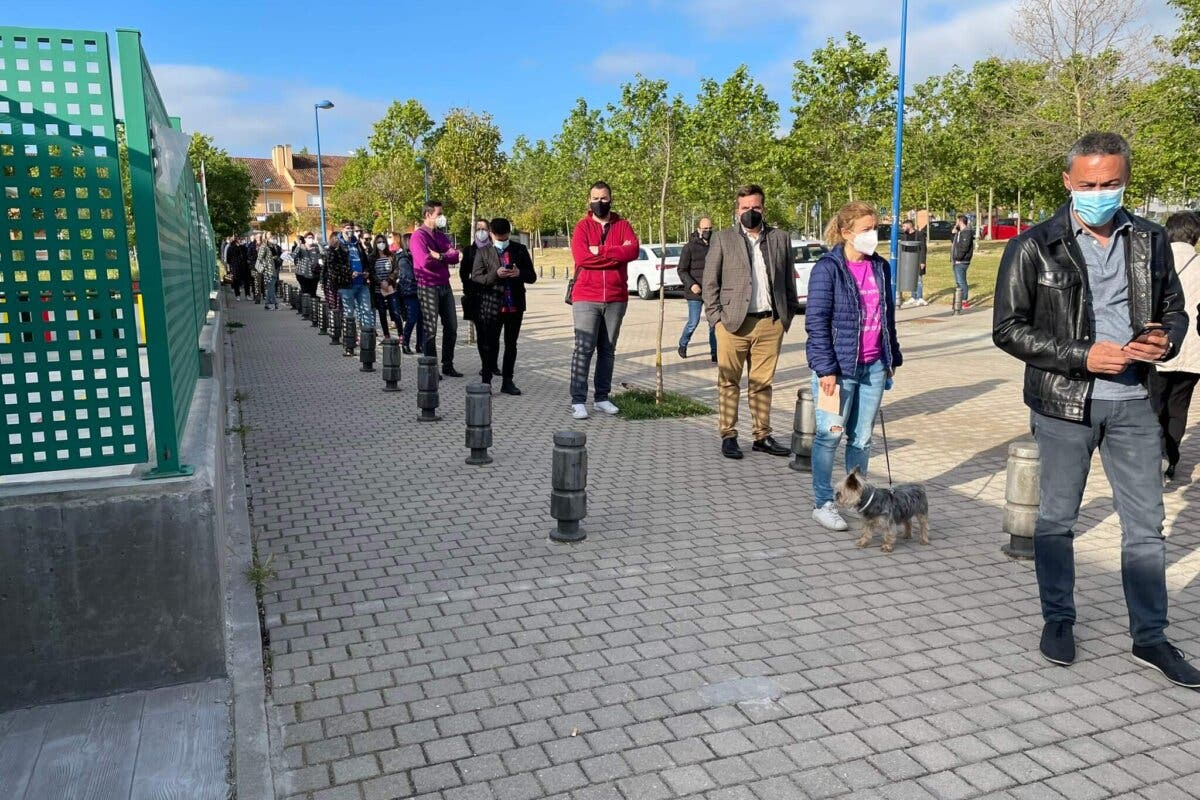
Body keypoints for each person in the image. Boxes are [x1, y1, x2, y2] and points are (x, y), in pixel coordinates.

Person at [993, 131, 1198, 688]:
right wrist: (1084, 354)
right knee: (1057, 520)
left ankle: (1151, 637)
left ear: (1125, 180)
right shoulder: (1034, 245)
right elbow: (1008, 330)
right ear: (1068, 182)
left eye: (1111, 184)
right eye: (1088, 184)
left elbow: (1175, 310)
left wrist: (1166, 339)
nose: (1100, 193)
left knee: (1146, 526)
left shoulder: (1151, 239)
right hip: (1064, 405)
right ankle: (1058, 619)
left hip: (1135, 402)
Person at [806, 201, 903, 529]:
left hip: (873, 367)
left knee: (861, 439)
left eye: (875, 228)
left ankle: (855, 497)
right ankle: (823, 503)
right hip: (837, 371)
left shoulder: (880, 267)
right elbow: (816, 321)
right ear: (846, 233)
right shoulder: (828, 268)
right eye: (866, 230)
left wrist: (891, 358)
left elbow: (886, 316)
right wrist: (825, 368)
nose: (873, 235)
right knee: (829, 435)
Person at [703, 184, 800, 459]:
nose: (750, 212)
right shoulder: (723, 239)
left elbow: (787, 282)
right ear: (737, 211)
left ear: (763, 208)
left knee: (761, 383)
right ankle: (729, 435)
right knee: (728, 382)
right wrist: (716, 321)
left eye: (755, 207)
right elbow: (710, 283)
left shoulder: (780, 238)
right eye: (745, 208)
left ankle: (762, 435)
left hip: (770, 324)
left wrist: (786, 317)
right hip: (733, 324)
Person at [568, 181, 640, 419]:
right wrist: (615, 254)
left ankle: (602, 397)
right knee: (583, 349)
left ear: (611, 199)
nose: (600, 202)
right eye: (595, 198)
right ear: (589, 200)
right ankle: (578, 400)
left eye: (604, 198)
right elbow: (583, 258)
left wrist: (601, 250)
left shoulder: (623, 225)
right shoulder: (581, 227)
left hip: (616, 297)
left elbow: (632, 251)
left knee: (607, 350)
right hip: (586, 296)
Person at [1151, 211, 1200, 485]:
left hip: (1160, 348)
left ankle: (1154, 459)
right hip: (1195, 352)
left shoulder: (1156, 262)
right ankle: (1171, 461)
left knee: (1154, 405)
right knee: (1178, 408)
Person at [471, 217, 536, 394]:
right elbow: (476, 277)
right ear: (491, 234)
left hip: (514, 305)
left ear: (509, 233)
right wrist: (495, 274)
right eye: (498, 237)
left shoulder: (520, 250)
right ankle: (486, 380)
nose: (502, 240)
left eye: (505, 237)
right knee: (489, 344)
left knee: (511, 344)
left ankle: (508, 381)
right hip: (492, 306)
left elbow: (532, 276)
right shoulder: (483, 252)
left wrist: (519, 273)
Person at [410, 201, 463, 377]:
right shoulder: (418, 237)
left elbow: (455, 256)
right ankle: (431, 367)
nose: (442, 217)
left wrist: (439, 255)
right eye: (439, 214)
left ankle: (448, 364)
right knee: (430, 329)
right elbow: (424, 261)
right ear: (428, 215)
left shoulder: (440, 235)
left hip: (445, 285)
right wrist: (444, 257)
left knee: (452, 326)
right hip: (428, 286)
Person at [327, 220, 373, 355]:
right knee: (349, 315)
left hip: (362, 284)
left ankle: (367, 342)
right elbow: (332, 267)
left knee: (366, 312)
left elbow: (365, 261)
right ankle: (349, 344)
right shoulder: (336, 245)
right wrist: (348, 273)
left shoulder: (357, 243)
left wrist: (366, 271)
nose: (350, 231)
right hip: (347, 286)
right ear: (342, 229)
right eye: (347, 228)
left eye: (352, 228)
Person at [676, 218, 717, 361]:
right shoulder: (689, 247)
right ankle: (682, 344)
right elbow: (682, 270)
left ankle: (715, 352)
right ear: (699, 229)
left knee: (714, 323)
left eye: (710, 228)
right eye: (705, 229)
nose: (708, 231)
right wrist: (692, 284)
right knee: (693, 322)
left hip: (712, 291)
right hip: (695, 292)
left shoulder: (716, 245)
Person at [460, 219, 492, 374]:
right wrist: (469, 288)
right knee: (481, 332)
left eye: (484, 228)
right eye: (478, 228)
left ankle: (492, 363)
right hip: (476, 295)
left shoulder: (494, 248)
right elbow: (463, 272)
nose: (481, 231)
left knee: (492, 332)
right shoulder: (469, 250)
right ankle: (485, 364)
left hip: (493, 294)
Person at [395, 232, 423, 355]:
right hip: (410, 292)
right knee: (411, 319)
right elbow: (409, 275)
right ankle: (405, 343)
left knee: (422, 320)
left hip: (420, 291)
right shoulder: (403, 258)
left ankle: (420, 344)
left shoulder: (416, 255)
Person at [367, 233, 394, 339]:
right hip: (378, 289)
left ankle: (401, 334)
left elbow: (395, 270)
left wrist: (388, 281)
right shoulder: (372, 257)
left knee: (394, 311)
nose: (381, 244)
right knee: (382, 313)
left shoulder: (391, 255)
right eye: (378, 242)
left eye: (383, 242)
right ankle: (386, 335)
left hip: (390, 287)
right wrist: (380, 282)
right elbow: (371, 272)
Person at [898, 219, 928, 308]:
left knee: (918, 278)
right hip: (908, 259)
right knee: (911, 278)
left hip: (918, 258)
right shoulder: (904, 236)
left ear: (909, 225)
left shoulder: (919, 234)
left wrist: (923, 261)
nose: (903, 228)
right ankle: (913, 297)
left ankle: (920, 297)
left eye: (904, 226)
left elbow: (923, 248)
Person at [951, 214, 975, 310]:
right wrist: (953, 233)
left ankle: (964, 300)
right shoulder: (960, 232)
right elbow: (953, 242)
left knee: (961, 281)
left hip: (962, 261)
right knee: (958, 281)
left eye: (957, 221)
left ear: (960, 221)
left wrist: (958, 258)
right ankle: (959, 299)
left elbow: (964, 248)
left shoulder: (966, 233)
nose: (955, 223)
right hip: (956, 260)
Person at [255, 234, 282, 309]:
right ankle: (273, 304)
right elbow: (260, 258)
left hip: (274, 269)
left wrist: (275, 258)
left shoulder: (272, 247)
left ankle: (268, 304)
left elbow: (271, 257)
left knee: (271, 287)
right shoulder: (264, 247)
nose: (273, 239)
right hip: (268, 270)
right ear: (267, 238)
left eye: (274, 238)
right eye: (272, 237)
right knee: (271, 287)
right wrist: (267, 264)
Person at [293, 231, 321, 297]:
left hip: (314, 274)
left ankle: (312, 306)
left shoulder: (316, 248)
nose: (310, 239)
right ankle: (305, 306)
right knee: (305, 292)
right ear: (305, 239)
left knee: (313, 293)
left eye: (312, 238)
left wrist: (319, 244)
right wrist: (298, 246)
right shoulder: (301, 248)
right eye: (309, 238)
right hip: (302, 274)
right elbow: (293, 256)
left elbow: (322, 255)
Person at [228, 235, 251, 300]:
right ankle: (237, 295)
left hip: (244, 266)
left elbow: (247, 255)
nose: (240, 240)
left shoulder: (243, 247)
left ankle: (247, 294)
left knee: (246, 281)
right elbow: (228, 259)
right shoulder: (231, 248)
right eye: (239, 239)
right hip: (236, 266)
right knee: (236, 281)